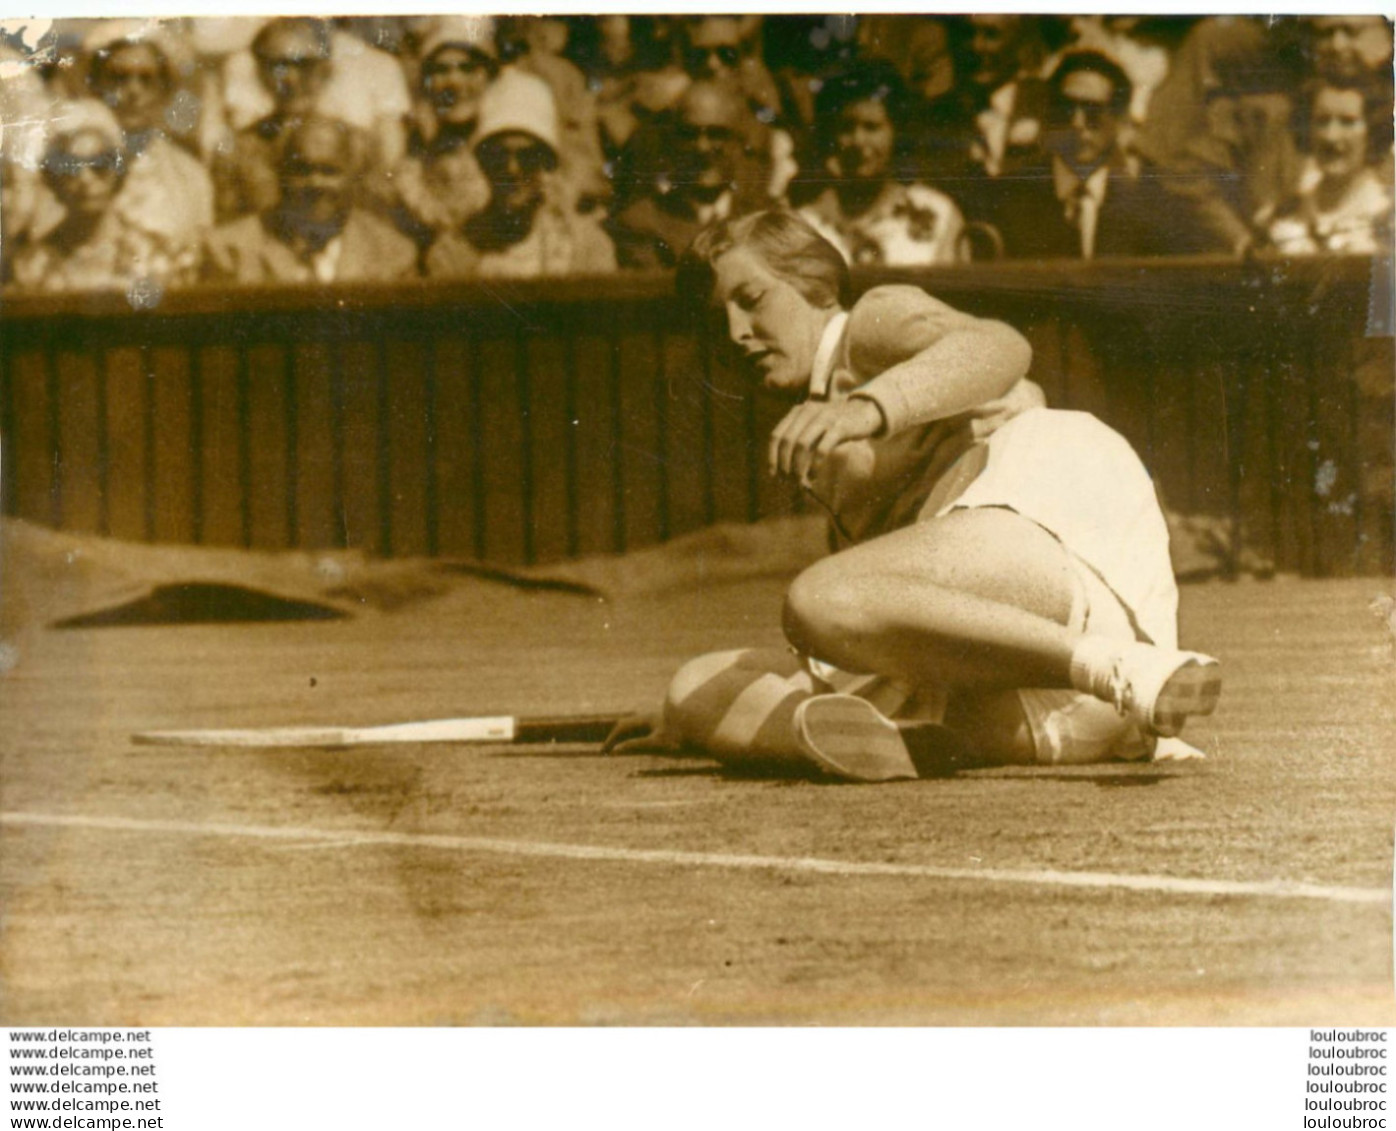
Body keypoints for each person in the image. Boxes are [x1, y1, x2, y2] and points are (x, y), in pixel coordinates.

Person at [606, 211, 1220, 782]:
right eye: (720, 320)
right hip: (1049, 703)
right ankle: (896, 743)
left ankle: (1121, 668)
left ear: (813, 282)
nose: (737, 334)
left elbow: (1002, 348)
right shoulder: (822, 429)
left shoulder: (871, 322)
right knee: (692, 687)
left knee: (819, 600)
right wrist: (712, 712)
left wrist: (867, 408)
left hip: (1064, 552)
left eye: (752, 300)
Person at [991, 50, 1224, 259]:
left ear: (1119, 120)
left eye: (1092, 111)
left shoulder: (1149, 204)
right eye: (1065, 107)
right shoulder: (1009, 195)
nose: (1077, 123)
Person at [425, 69, 615, 279]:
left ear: (548, 163)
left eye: (527, 157)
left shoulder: (586, 247)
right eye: (498, 156)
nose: (512, 169)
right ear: (482, 162)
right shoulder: (452, 253)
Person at [8, 99, 197, 293]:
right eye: (71, 168)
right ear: (54, 181)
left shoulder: (158, 256)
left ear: (119, 173)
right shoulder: (30, 267)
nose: (86, 180)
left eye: (99, 166)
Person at [203, 115, 418, 284]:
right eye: (301, 170)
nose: (315, 183)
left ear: (354, 178)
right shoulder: (230, 250)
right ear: (280, 175)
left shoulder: (393, 254)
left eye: (329, 171)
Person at [795, 61, 966, 267]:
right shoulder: (804, 226)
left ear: (896, 133)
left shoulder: (938, 215)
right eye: (846, 128)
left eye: (872, 127)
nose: (858, 141)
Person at [607, 81, 771, 269]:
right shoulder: (641, 222)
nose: (702, 147)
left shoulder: (764, 218)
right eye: (689, 135)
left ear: (738, 142)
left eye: (716, 134)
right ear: (671, 144)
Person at [212, 17, 333, 222]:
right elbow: (228, 232)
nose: (291, 79)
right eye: (279, 66)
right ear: (259, 72)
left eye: (304, 65)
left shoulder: (356, 146)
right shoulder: (235, 152)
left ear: (325, 70)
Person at [1268, 77, 1394, 256]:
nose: (1331, 136)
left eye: (1347, 122)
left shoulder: (1388, 212)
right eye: (1322, 121)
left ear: (1373, 131)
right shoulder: (1288, 213)